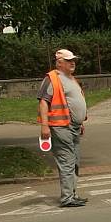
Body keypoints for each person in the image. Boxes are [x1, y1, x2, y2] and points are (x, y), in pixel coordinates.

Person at [37, 49, 89, 207]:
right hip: (61, 127)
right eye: (68, 60)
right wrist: (44, 126)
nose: (72, 62)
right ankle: (67, 198)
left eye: (73, 60)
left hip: (73, 126)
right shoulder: (52, 78)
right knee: (67, 161)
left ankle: (72, 194)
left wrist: (80, 123)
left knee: (75, 162)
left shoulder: (71, 78)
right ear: (59, 63)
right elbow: (43, 102)